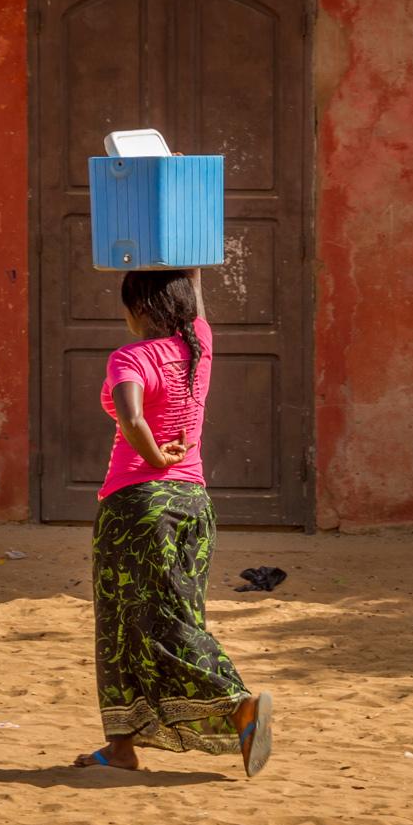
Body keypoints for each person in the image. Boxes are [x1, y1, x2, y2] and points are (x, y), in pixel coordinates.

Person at [73, 267, 272, 777]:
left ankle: (236, 702)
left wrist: (157, 458)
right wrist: (185, 244)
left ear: (138, 309)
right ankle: (120, 748)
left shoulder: (130, 357)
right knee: (171, 614)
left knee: (125, 625)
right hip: (193, 505)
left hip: (138, 507)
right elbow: (198, 294)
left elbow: (131, 416)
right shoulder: (198, 347)